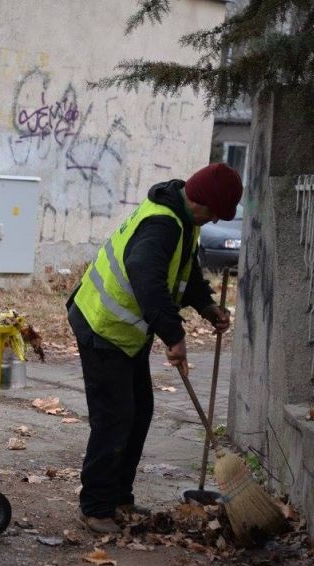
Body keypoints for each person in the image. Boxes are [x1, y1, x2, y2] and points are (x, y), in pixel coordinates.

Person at [66, 163, 243, 534]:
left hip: (126, 333)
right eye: (214, 213)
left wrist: (206, 306)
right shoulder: (162, 224)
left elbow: (184, 272)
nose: (213, 221)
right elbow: (147, 278)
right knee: (115, 418)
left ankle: (119, 498)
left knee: (139, 412)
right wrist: (174, 337)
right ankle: (96, 507)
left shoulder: (184, 221)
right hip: (103, 326)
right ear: (201, 201)